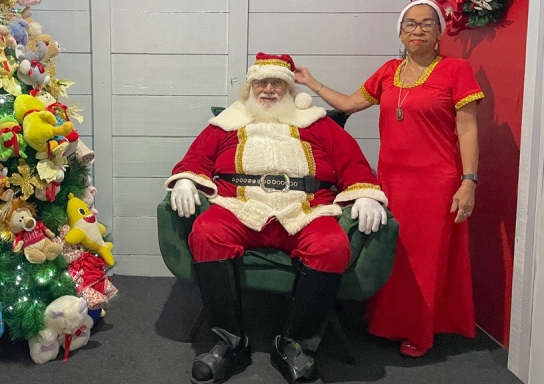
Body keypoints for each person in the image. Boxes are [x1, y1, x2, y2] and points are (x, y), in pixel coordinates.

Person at [167, 52, 389, 384]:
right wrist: (185, 179)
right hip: (240, 207)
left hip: (305, 209)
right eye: (262, 82)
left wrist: (366, 194)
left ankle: (295, 345)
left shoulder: (318, 123)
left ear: (289, 89)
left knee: (330, 246)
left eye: (277, 83)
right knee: (207, 232)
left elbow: (352, 162)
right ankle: (229, 343)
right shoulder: (228, 122)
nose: (269, 89)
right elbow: (196, 157)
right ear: (251, 87)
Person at [294, 0, 482, 357]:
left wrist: (469, 180)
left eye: (427, 24)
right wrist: (310, 81)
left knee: (424, 260)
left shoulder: (456, 70)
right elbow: (349, 104)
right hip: (391, 181)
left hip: (437, 183)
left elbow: (468, 127)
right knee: (394, 253)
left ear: (439, 32)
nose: (418, 30)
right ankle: (385, 324)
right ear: (400, 32)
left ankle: (420, 332)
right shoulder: (388, 72)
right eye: (410, 24)